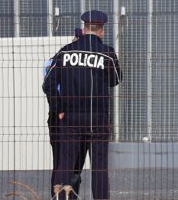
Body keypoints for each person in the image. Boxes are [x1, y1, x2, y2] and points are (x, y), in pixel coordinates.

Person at [43, 11, 121, 200]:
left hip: (71, 118)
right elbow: (115, 80)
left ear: (84, 28)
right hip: (98, 119)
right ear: (101, 30)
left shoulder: (66, 51)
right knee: (100, 167)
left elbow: (48, 83)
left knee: (66, 163)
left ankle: (61, 198)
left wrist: (59, 108)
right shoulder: (107, 54)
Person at [43, 29, 83, 195]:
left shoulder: (53, 61)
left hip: (58, 115)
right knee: (69, 162)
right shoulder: (62, 62)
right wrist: (60, 109)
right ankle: (62, 196)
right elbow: (51, 87)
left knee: (62, 161)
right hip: (64, 116)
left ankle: (62, 195)